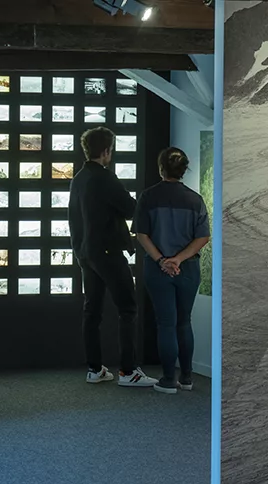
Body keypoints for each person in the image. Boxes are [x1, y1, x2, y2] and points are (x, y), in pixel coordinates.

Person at [68, 127, 158, 388]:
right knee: (128, 308)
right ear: (106, 151)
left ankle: (95, 369)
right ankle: (128, 371)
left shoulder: (79, 178)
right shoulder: (105, 178)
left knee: (91, 311)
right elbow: (132, 209)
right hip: (108, 253)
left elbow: (73, 219)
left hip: (86, 254)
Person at [133, 147, 211, 394]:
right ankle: (187, 378)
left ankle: (168, 380)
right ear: (184, 170)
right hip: (188, 269)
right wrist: (178, 259)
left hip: (158, 270)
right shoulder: (195, 199)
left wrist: (162, 261)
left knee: (166, 323)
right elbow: (203, 238)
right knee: (184, 322)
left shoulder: (148, 197)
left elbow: (141, 234)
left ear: (160, 168)